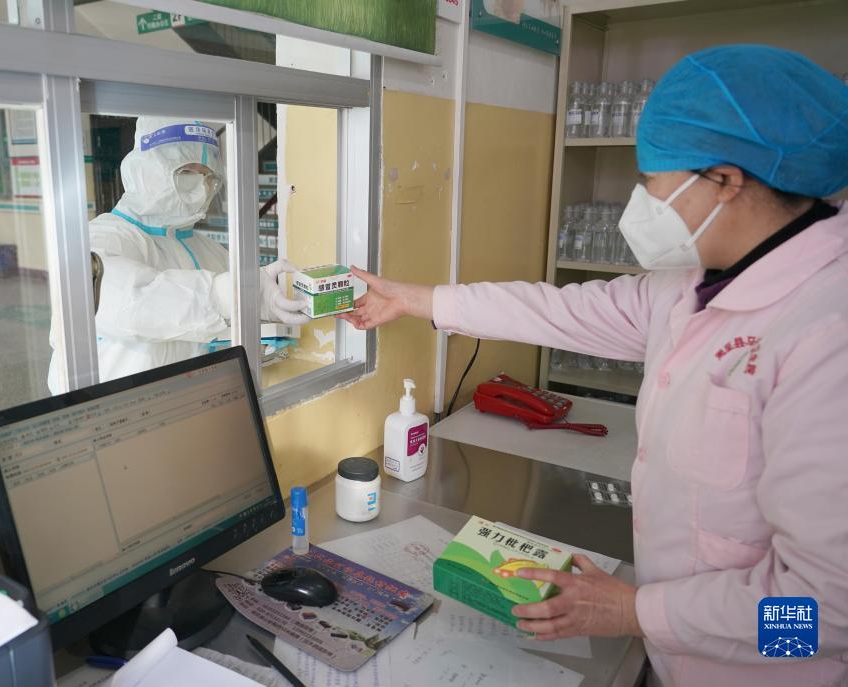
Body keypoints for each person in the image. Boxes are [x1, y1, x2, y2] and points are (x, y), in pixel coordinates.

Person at [339, 45, 848, 686]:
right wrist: (414, 299)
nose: (645, 199)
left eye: (654, 177)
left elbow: (828, 616)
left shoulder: (826, 334)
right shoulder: (696, 281)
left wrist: (635, 611)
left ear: (726, 180)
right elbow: (561, 312)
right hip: (677, 656)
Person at [49, 117, 307, 394]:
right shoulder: (100, 237)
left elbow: (208, 329)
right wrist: (230, 294)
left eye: (208, 177)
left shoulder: (209, 250)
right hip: (113, 410)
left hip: (191, 404)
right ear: (145, 170)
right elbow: (128, 302)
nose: (201, 188)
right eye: (185, 173)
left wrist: (261, 320)